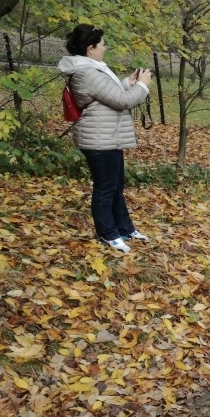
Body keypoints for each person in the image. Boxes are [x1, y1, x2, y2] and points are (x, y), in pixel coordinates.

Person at [58, 24, 151, 253]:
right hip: (98, 138)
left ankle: (124, 228)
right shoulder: (87, 72)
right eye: (101, 44)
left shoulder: (92, 67)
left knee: (116, 185)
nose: (104, 47)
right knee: (105, 187)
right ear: (90, 48)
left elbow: (106, 96)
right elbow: (122, 101)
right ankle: (107, 234)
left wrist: (127, 84)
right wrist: (142, 86)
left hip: (108, 135)